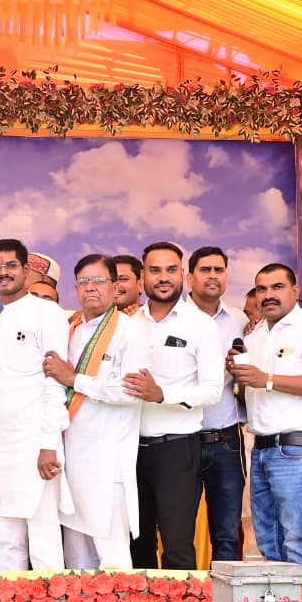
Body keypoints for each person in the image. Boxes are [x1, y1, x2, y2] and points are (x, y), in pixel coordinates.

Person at [44, 255, 151, 569]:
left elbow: (131, 391)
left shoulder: (131, 332)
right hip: (70, 459)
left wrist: (74, 379)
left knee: (112, 558)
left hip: (107, 463)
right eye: (84, 282)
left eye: (99, 281)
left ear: (115, 287)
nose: (91, 287)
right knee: (76, 559)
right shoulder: (71, 329)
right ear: (76, 288)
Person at [230, 264, 302, 571]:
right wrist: (239, 377)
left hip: (298, 449)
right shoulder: (255, 336)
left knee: (297, 540)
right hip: (262, 448)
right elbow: (251, 395)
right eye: (262, 289)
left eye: (277, 287)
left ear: (295, 290)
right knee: (268, 541)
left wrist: (266, 379)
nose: (268, 295)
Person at [127, 241, 223, 570]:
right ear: (142, 276)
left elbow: (212, 391)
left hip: (176, 448)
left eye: (170, 270)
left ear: (183, 275)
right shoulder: (128, 324)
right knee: (136, 541)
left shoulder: (201, 325)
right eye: (155, 270)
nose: (163, 277)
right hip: (129, 447)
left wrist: (161, 394)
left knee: (177, 544)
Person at [0, 239, 70, 570]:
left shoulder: (47, 313)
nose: (3, 273)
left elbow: (55, 382)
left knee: (43, 540)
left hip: (37, 443)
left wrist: (49, 444)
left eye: (10, 266)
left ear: (25, 270)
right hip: (4, 444)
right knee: (7, 541)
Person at [187, 246, 249, 562]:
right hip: (181, 441)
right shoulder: (174, 319)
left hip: (227, 441)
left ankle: (225, 596)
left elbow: (249, 378)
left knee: (227, 536)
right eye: (205, 270)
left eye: (218, 270)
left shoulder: (240, 321)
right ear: (190, 277)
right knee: (178, 534)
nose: (212, 276)